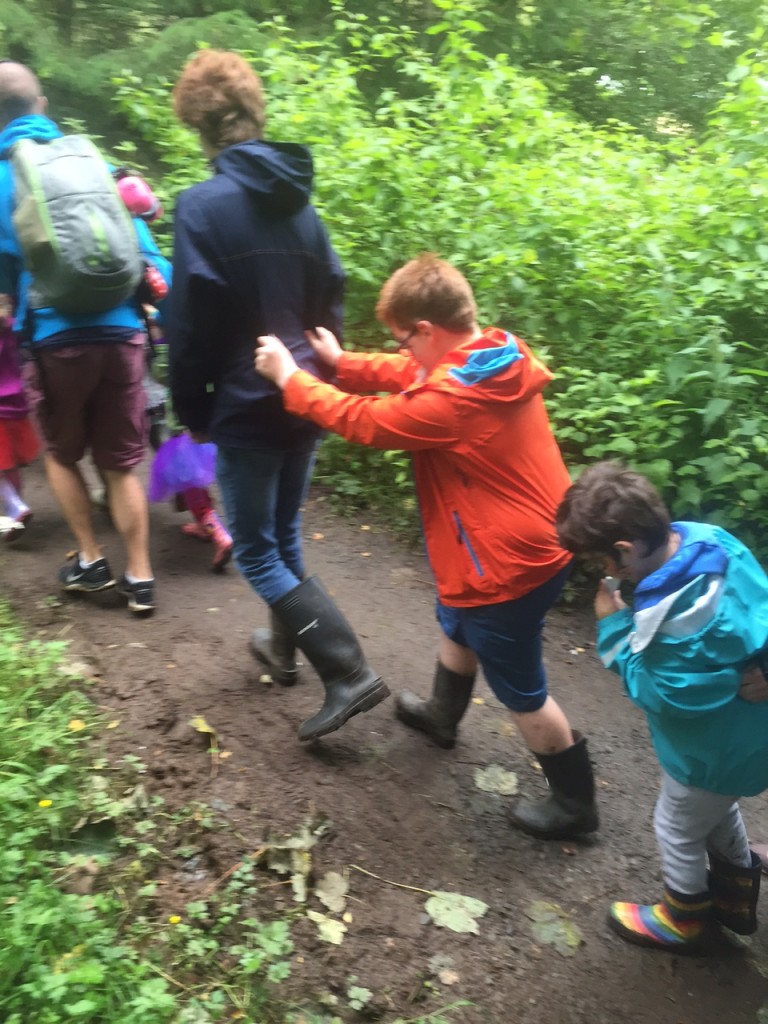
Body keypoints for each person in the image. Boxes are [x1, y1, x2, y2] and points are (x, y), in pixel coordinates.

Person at [255, 253, 598, 839]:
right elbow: (409, 374)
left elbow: (365, 420)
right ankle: (442, 717)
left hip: (508, 564)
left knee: (522, 690)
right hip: (508, 549)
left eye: (404, 340)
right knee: (456, 621)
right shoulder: (490, 354)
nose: (404, 351)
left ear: (427, 330)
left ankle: (575, 805)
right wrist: (344, 361)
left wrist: (292, 376)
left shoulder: (456, 401)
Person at [167, 50, 387, 741]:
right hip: (304, 395)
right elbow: (332, 301)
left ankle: (347, 671)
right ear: (255, 116)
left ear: (201, 127)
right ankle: (279, 650)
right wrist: (322, 378)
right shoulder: (305, 210)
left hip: (245, 400)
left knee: (257, 548)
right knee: (283, 532)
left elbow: (189, 327)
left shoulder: (201, 208)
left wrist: (194, 411)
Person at [555, 461, 768, 953]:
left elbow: (661, 693)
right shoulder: (709, 541)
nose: (605, 573)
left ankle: (683, 918)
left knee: (675, 825)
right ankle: (736, 896)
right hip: (743, 740)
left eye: (602, 562)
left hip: (711, 750)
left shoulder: (682, 626)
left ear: (625, 552)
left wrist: (612, 628)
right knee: (713, 810)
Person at [0, 61, 170, 615]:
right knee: (121, 462)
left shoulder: (4, 176)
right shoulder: (91, 158)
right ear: (42, 104)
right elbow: (145, 244)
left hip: (55, 337)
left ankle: (92, 560)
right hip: (122, 331)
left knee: (63, 454)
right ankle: (141, 578)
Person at [0, 291, 38, 540]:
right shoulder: (12, 328)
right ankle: (14, 514)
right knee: (8, 464)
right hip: (14, 405)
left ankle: (15, 507)